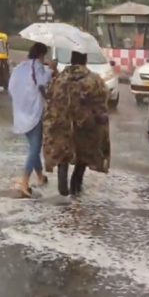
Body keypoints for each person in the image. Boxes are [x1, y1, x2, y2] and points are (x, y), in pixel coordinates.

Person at [43, 51, 110, 197]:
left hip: (61, 125)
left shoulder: (60, 78)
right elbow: (103, 100)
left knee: (63, 154)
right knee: (83, 156)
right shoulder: (94, 80)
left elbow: (49, 96)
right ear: (85, 61)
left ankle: (63, 188)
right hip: (84, 127)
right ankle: (76, 186)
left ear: (72, 61)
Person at [8, 43, 56, 197]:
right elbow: (42, 83)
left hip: (21, 112)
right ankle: (24, 182)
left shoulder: (21, 67)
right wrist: (53, 69)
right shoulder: (38, 67)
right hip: (34, 113)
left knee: (33, 147)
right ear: (41, 54)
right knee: (35, 149)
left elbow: (11, 87)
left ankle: (41, 177)